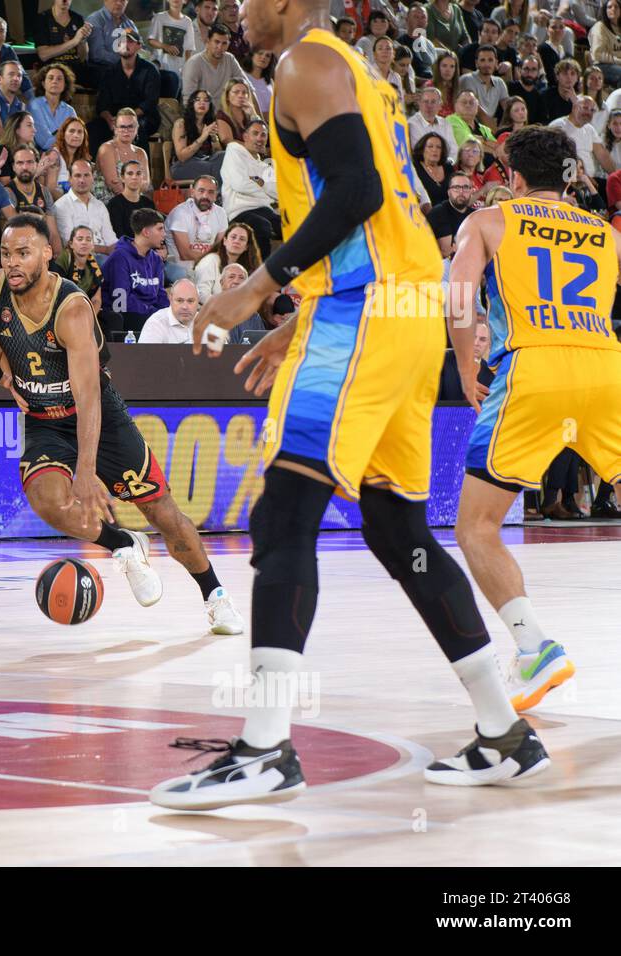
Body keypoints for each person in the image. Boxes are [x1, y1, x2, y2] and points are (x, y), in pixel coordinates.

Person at [150, 0, 542, 812]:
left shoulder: (304, 63)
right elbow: (392, 224)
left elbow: (359, 192)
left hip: (362, 314)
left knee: (285, 508)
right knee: (395, 527)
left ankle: (264, 749)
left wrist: (259, 288)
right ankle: (504, 732)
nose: (235, 10)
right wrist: (297, 325)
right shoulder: (357, 70)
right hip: (399, 312)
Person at [0, 212, 243, 633]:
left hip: (99, 416)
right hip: (45, 420)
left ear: (48, 254)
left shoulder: (72, 309)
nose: (12, 262)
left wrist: (86, 471)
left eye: (23, 253)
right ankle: (122, 544)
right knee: (49, 502)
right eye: (6, 254)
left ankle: (215, 595)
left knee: (162, 512)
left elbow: (88, 398)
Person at [449, 125, 621, 717]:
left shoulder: (488, 222)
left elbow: (458, 300)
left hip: (533, 366)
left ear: (513, 177)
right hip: (607, 366)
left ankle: (534, 647)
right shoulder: (606, 232)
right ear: (568, 175)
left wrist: (467, 367)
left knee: (475, 527)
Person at [99, 207, 168, 336]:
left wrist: (167, 314)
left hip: (150, 315)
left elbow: (161, 295)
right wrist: (154, 314)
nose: (164, 234)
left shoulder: (156, 260)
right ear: (146, 232)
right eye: (160, 229)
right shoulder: (119, 257)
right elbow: (121, 301)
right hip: (125, 316)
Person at [89, 27, 159, 151]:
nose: (125, 44)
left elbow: (150, 103)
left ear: (139, 46)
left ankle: (140, 169)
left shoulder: (150, 70)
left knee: (135, 128)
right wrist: (110, 120)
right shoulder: (109, 72)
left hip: (142, 117)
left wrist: (126, 118)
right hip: (114, 118)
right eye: (121, 41)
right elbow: (102, 105)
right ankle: (95, 167)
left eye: (130, 41)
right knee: (92, 128)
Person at [220, 118, 280, 257]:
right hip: (239, 211)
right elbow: (240, 184)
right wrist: (264, 188)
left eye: (263, 135)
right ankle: (261, 273)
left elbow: (277, 193)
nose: (259, 138)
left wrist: (258, 181)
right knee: (262, 225)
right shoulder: (234, 151)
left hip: (265, 209)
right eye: (255, 133)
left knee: (292, 224)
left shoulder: (266, 166)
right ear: (245, 136)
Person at [54, 159, 117, 253]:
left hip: (106, 256)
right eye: (77, 176)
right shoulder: (61, 206)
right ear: (70, 179)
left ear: (92, 178)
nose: (82, 180)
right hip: (79, 259)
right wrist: (106, 250)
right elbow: (71, 243)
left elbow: (111, 240)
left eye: (86, 175)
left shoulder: (99, 205)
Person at [180, 25, 248, 112]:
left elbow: (247, 87)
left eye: (224, 43)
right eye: (216, 42)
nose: (220, 47)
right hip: (203, 117)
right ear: (208, 42)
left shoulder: (229, 59)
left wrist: (258, 118)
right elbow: (188, 101)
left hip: (226, 116)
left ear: (228, 44)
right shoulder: (194, 63)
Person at [166, 174, 228, 265]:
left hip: (209, 266)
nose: (205, 196)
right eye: (201, 191)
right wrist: (214, 258)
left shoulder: (220, 213)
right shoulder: (180, 213)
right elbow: (185, 255)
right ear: (192, 192)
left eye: (211, 192)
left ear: (216, 196)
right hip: (181, 269)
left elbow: (221, 247)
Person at [193, 221, 261, 302]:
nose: (236, 241)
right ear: (225, 241)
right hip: (211, 310)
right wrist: (224, 308)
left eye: (242, 239)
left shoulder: (244, 268)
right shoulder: (211, 260)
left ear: (246, 246)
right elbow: (201, 293)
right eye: (233, 237)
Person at [36, 0, 92, 81]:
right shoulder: (42, 19)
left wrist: (82, 41)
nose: (64, 0)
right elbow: (43, 55)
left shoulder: (78, 18)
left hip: (76, 70)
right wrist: (74, 41)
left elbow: (82, 58)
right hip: (54, 70)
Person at [104, 157, 155, 242]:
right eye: (130, 173)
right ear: (122, 178)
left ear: (142, 177)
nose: (134, 177)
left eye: (138, 173)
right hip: (127, 249)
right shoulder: (114, 204)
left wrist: (161, 247)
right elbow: (119, 235)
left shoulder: (148, 203)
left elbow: (155, 229)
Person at [138, 277, 200, 344]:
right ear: (170, 299)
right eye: (179, 301)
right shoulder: (155, 323)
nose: (185, 307)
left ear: (198, 301)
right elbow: (146, 354)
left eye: (190, 301)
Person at [84, 0, 136, 73]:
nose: (118, 3)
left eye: (122, 0)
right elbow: (97, 54)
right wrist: (126, 60)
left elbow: (140, 47)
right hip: (103, 71)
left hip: (129, 69)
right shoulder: (95, 19)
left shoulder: (129, 23)